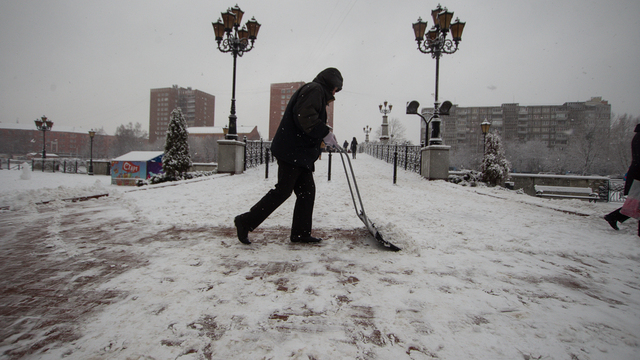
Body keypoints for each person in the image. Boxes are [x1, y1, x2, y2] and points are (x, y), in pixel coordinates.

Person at [234, 68, 343, 244]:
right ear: (331, 83)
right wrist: (324, 132)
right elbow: (305, 116)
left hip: (298, 153)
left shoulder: (315, 91)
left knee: (307, 192)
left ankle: (300, 233)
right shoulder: (315, 89)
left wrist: (324, 133)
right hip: (292, 151)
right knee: (283, 191)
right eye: (336, 88)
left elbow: (308, 117)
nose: (335, 92)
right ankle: (245, 221)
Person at [604, 123, 640, 235]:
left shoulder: (637, 137)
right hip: (638, 174)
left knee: (635, 204)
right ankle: (613, 217)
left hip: (637, 174)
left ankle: (613, 217)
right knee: (635, 204)